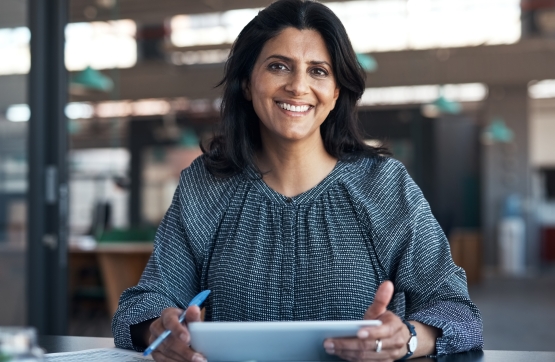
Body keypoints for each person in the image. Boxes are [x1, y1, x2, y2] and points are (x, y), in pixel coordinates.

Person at [112, 0, 483, 361]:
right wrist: (160, 331)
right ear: (246, 82)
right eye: (279, 66)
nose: (298, 86)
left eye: (318, 71)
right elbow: (140, 305)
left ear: (336, 91)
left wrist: (407, 339)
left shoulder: (384, 186)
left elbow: (459, 313)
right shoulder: (205, 185)